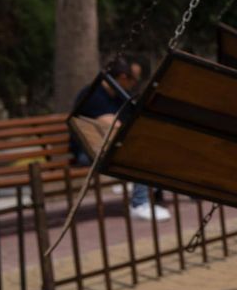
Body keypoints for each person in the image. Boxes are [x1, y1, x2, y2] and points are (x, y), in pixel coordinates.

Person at [71, 56, 169, 221]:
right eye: (132, 80)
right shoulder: (93, 95)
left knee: (152, 146)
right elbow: (111, 125)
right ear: (123, 78)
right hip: (87, 151)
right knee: (138, 154)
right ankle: (139, 204)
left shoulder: (119, 95)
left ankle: (155, 195)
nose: (133, 85)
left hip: (110, 146)